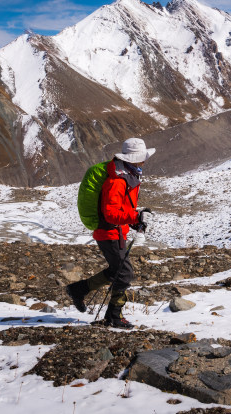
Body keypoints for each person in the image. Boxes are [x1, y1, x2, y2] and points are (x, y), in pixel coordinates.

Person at [66, 137, 155, 328]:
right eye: (142, 158)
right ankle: (114, 316)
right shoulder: (118, 180)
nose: (144, 161)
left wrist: (133, 221)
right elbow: (111, 213)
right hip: (109, 232)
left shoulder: (126, 173)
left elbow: (120, 208)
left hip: (115, 231)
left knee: (118, 271)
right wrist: (135, 218)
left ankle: (79, 290)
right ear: (134, 159)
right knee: (124, 274)